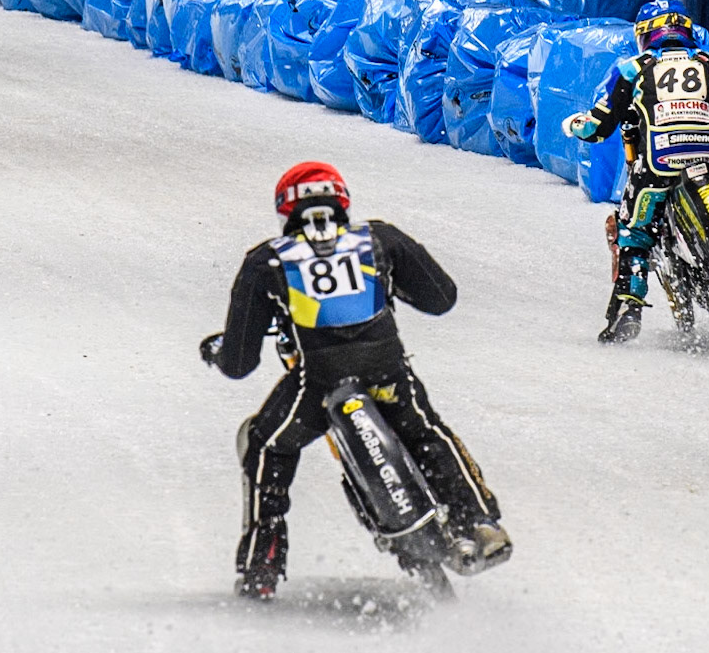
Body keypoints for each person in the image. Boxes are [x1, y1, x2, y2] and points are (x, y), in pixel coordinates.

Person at [201, 163, 510, 598]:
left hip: (316, 385)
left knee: (266, 444)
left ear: (285, 209)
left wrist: (218, 351)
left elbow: (239, 363)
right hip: (388, 372)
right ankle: (477, 521)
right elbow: (441, 298)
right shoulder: (380, 238)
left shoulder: (267, 261)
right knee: (425, 430)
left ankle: (262, 562)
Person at [564, 0, 709, 343]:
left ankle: (628, 306)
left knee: (634, 231)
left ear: (644, 35)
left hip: (657, 163)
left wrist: (574, 124)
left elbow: (597, 128)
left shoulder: (631, 69)